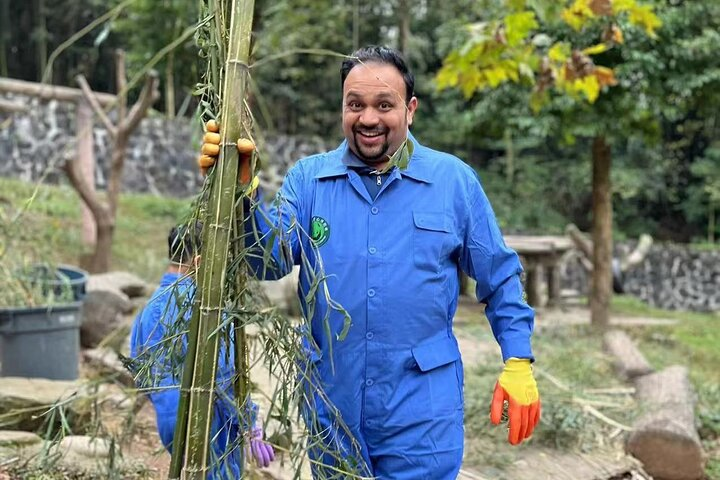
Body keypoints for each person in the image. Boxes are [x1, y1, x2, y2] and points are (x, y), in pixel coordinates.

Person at [199, 45, 540, 479]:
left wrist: (517, 360)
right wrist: (240, 192)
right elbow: (269, 262)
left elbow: (500, 276)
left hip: (422, 414)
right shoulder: (310, 180)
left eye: (384, 105)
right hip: (333, 409)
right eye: (355, 105)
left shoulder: (452, 181)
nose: (368, 118)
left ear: (410, 109)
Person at [129, 222, 275, 478]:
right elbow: (224, 374)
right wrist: (249, 422)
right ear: (199, 261)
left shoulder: (147, 311)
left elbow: (139, 370)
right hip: (208, 419)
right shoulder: (206, 311)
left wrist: (168, 404)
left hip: (169, 421)